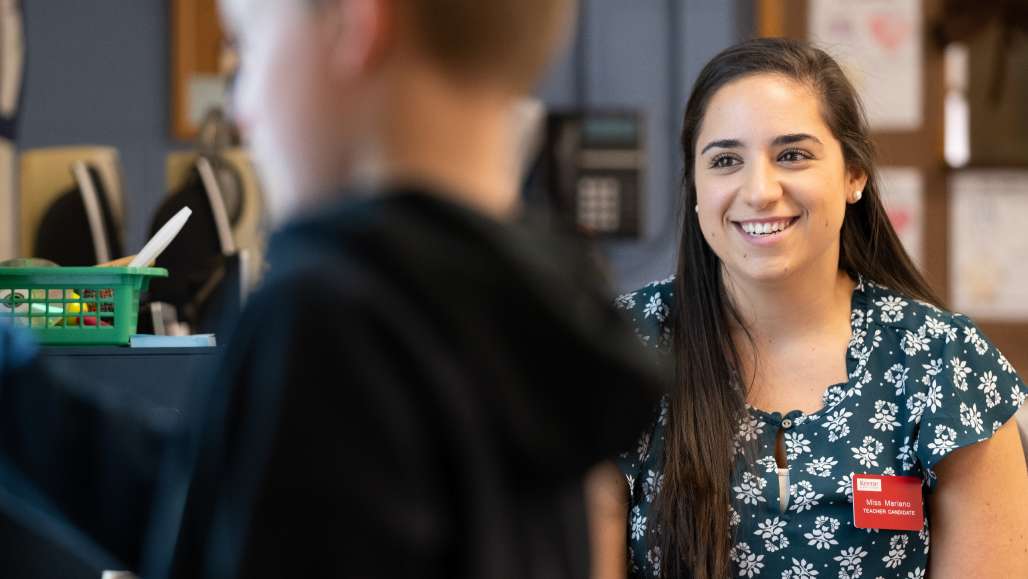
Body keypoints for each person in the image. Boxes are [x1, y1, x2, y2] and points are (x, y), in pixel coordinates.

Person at [138, 1, 664, 578]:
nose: (240, 109)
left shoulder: (324, 316)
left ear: (355, 26)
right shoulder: (549, 305)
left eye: (247, 48)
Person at [587, 38, 1028, 579]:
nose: (759, 190)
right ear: (696, 188)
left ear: (854, 176)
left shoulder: (943, 365)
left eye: (792, 154)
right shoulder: (620, 346)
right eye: (725, 160)